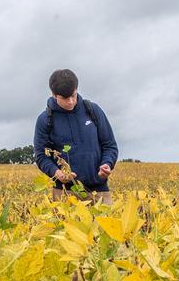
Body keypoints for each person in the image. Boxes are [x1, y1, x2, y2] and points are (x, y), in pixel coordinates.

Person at [33, 69, 118, 204]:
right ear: (54, 95)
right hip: (65, 194)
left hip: (99, 191)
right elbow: (41, 156)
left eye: (73, 95)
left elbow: (109, 145)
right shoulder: (45, 120)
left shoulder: (93, 110)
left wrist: (107, 163)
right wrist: (57, 173)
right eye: (65, 98)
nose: (71, 102)